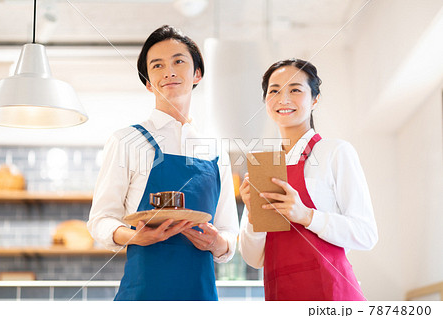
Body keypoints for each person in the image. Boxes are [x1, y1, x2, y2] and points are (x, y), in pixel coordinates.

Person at [88, 25, 239, 301]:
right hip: (142, 297)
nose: (169, 71)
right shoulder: (126, 141)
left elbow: (229, 231)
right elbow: (100, 220)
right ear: (147, 82)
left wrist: (218, 242)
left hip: (200, 297)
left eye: (179, 61)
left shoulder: (216, 151)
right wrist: (134, 237)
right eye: (157, 65)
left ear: (197, 73)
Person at [239, 59, 378, 301]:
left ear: (314, 99)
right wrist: (253, 216)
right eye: (274, 91)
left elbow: (366, 234)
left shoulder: (335, 152)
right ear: (266, 102)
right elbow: (254, 258)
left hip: (332, 296)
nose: (283, 99)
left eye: (295, 89)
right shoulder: (263, 167)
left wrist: (306, 215)